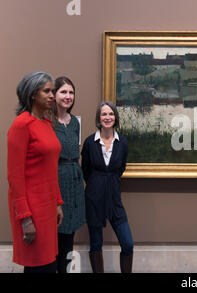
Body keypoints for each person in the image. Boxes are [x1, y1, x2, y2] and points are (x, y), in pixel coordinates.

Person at [7, 71, 64, 273]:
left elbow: (50, 168)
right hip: (32, 208)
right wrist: (25, 217)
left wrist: (57, 202)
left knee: (49, 263)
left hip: (48, 206)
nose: (52, 95)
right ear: (32, 94)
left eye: (53, 91)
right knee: (38, 266)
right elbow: (14, 177)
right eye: (46, 91)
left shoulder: (47, 124)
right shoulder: (21, 124)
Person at [81, 101, 134, 273]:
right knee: (96, 244)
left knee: (128, 244)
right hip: (93, 199)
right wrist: (97, 185)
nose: (107, 117)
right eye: (104, 114)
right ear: (98, 118)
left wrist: (109, 182)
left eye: (110, 114)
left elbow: (120, 168)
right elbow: (86, 171)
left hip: (114, 199)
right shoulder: (90, 142)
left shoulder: (122, 142)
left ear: (115, 117)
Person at [52, 76, 86, 273]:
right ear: (54, 94)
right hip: (56, 181)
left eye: (71, 92)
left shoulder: (74, 122)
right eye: (63, 92)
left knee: (68, 237)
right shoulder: (46, 122)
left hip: (74, 182)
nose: (68, 96)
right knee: (54, 235)